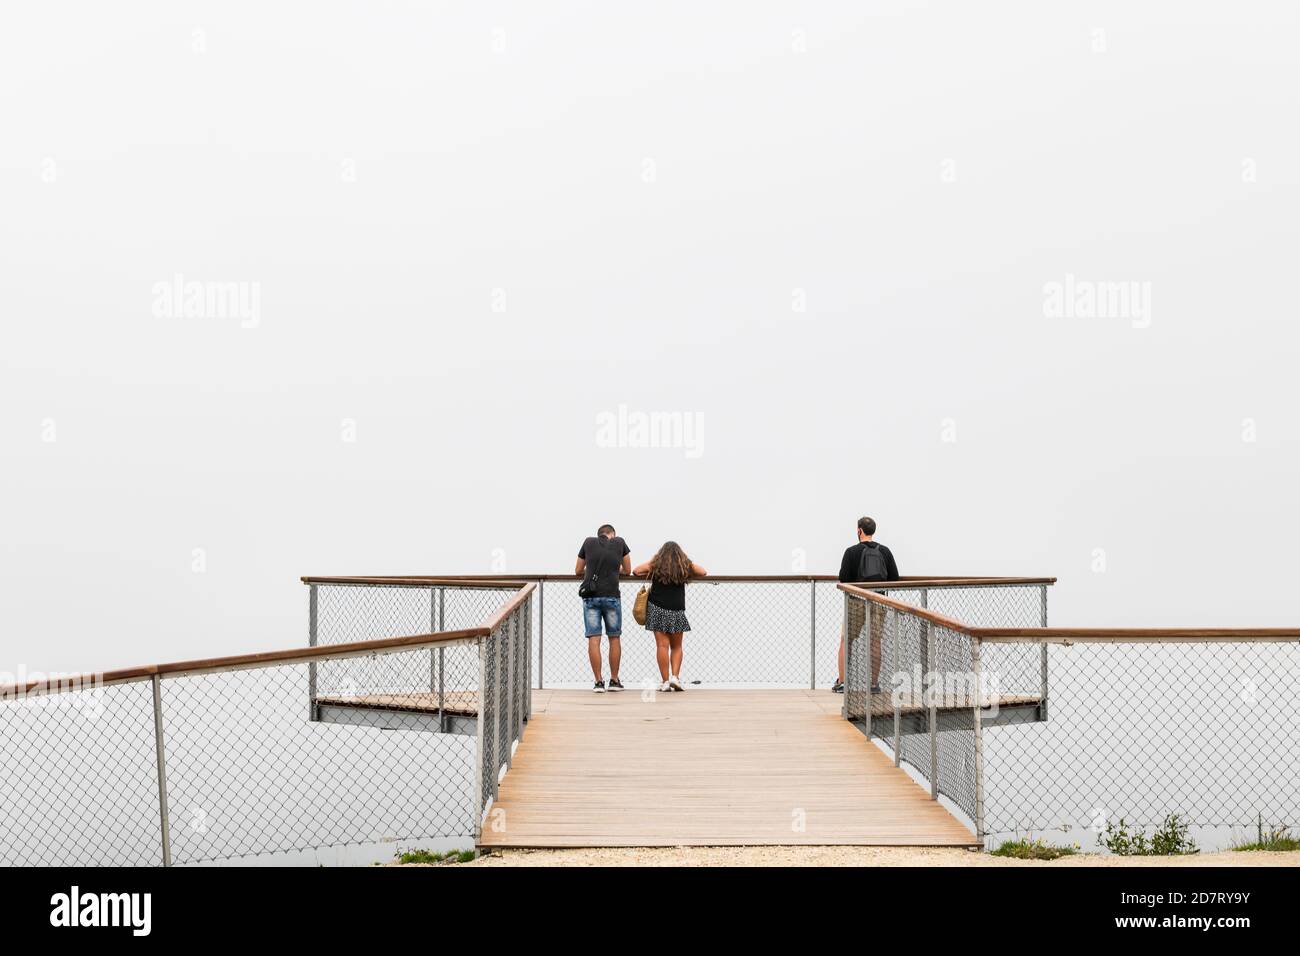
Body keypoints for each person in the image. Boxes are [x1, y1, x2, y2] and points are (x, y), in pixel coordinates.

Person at [832, 516, 899, 694]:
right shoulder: (885, 551)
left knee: (846, 640)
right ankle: (874, 684)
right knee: (875, 642)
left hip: (856, 601)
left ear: (859, 530)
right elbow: (894, 578)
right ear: (873, 531)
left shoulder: (851, 552)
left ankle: (843, 682)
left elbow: (844, 579)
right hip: (878, 601)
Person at [632, 542, 707, 692]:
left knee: (662, 646)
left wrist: (653, 564)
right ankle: (675, 677)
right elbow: (703, 572)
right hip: (676, 609)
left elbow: (636, 571)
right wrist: (687, 564)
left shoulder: (656, 564)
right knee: (677, 646)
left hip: (657, 608)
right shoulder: (684, 565)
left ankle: (665, 682)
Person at [576, 524, 631, 693]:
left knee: (594, 638)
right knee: (614, 638)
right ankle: (614, 681)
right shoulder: (619, 542)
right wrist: (615, 569)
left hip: (591, 597)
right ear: (612, 535)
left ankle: (598, 682)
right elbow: (628, 570)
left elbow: (578, 570)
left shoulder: (588, 542)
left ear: (599, 534)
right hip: (612, 596)